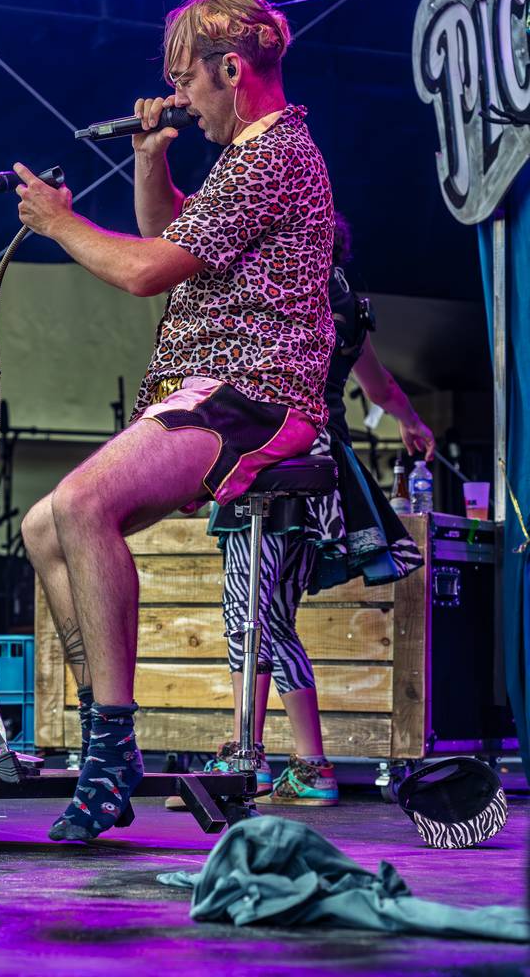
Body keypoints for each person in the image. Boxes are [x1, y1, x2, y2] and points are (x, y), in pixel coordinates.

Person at [15, 0, 336, 841]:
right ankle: (106, 728)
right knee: (44, 528)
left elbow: (144, 271)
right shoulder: (248, 157)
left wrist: (58, 223)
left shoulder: (273, 154)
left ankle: (109, 748)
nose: (181, 98)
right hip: (206, 391)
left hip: (252, 393)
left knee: (82, 503)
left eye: (187, 79)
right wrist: (150, 157)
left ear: (230, 69)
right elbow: (170, 233)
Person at [167, 213, 435, 811]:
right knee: (269, 615)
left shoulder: (284, 300)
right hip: (321, 473)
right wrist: (412, 422)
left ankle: (256, 761)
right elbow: (381, 387)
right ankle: (286, 762)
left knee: (249, 614)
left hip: (272, 462)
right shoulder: (347, 304)